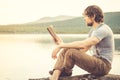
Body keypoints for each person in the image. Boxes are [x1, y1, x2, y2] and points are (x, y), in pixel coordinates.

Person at [49, 5, 114, 80]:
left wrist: (61, 46)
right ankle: (55, 76)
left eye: (85, 16)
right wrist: (62, 44)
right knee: (66, 50)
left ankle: (66, 72)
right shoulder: (93, 31)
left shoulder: (103, 29)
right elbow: (83, 49)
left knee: (71, 52)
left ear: (93, 16)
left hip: (103, 66)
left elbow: (83, 44)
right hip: (96, 63)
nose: (84, 19)